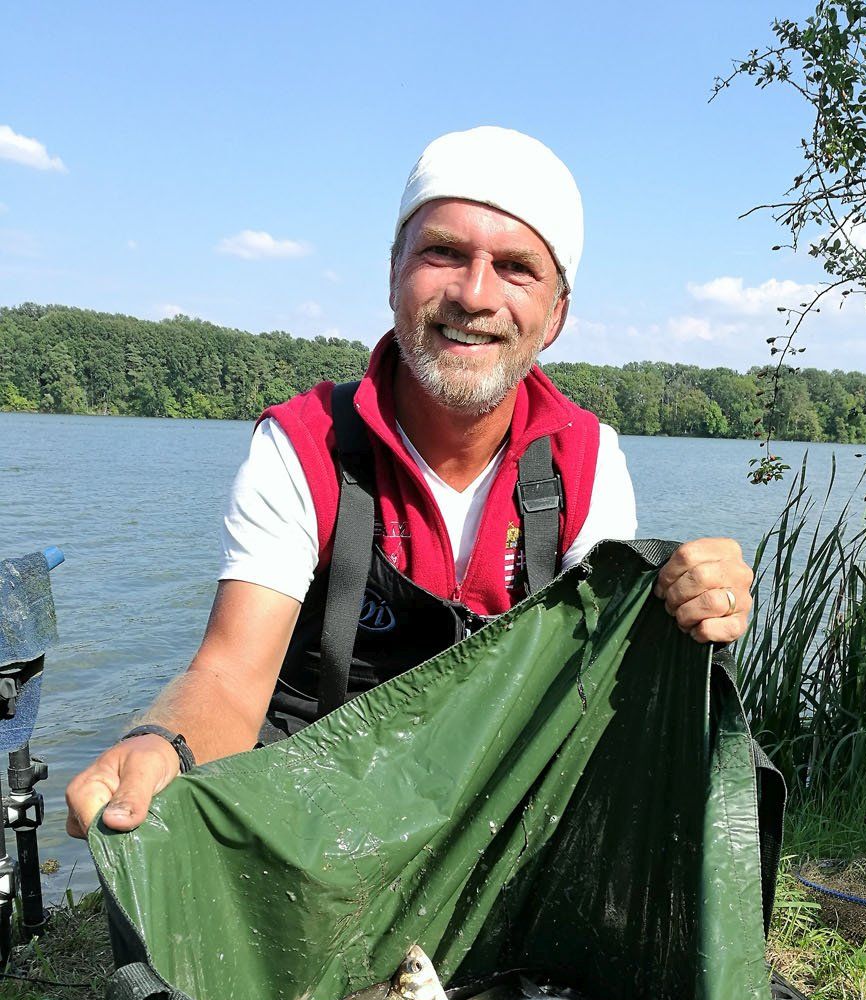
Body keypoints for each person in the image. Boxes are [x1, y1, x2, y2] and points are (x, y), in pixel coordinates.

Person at [66, 126, 753, 840]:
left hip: (497, 807)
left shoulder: (586, 458)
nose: (474, 294)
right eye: (443, 253)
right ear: (394, 271)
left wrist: (696, 602)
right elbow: (230, 678)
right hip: (318, 812)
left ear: (556, 316)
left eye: (516, 268)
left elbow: (605, 686)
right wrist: (162, 743)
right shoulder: (303, 447)